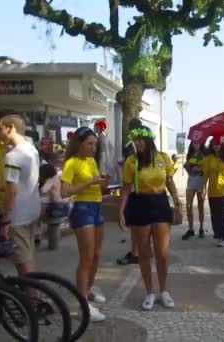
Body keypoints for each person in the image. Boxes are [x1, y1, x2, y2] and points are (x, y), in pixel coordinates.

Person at [119, 125, 182, 310]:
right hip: (139, 204)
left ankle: (164, 290)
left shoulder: (162, 158)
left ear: (148, 140)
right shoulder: (131, 161)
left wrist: (177, 201)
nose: (137, 143)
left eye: (140, 139)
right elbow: (126, 188)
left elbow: (169, 181)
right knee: (144, 253)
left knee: (162, 253)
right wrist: (121, 211)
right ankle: (149, 292)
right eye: (135, 140)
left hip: (160, 203)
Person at [61, 126, 110, 322]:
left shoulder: (91, 161)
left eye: (95, 144)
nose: (93, 147)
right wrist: (90, 183)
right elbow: (65, 192)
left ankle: (87, 290)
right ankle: (83, 305)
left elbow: (96, 184)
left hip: (97, 207)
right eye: (89, 144)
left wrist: (104, 183)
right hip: (82, 210)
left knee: (97, 254)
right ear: (79, 144)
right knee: (87, 257)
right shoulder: (71, 163)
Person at [0, 114, 41, 279]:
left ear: (10, 128)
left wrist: (5, 221)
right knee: (29, 256)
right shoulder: (31, 148)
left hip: (18, 217)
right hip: (33, 211)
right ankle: (37, 296)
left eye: (0, 129)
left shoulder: (13, 156)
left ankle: (33, 300)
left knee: (23, 263)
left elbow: (12, 191)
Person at [116, 117, 143, 265]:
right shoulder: (149, 145)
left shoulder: (129, 144)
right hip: (144, 188)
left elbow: (129, 164)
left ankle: (135, 253)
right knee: (142, 224)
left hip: (133, 189)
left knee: (135, 224)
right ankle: (141, 250)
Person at [203, 141, 224, 247]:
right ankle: (217, 233)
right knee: (215, 214)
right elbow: (205, 176)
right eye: (214, 144)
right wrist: (203, 189)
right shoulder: (208, 159)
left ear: (222, 145)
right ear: (211, 146)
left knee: (223, 215)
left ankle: (223, 236)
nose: (216, 146)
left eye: (218, 144)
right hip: (212, 191)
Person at [181, 141, 208, 240]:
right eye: (193, 143)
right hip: (191, 182)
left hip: (201, 182)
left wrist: (200, 169)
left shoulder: (205, 155)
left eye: (197, 143)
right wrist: (188, 167)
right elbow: (189, 172)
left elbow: (207, 170)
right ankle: (191, 229)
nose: (195, 145)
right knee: (188, 205)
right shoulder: (190, 155)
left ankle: (201, 228)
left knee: (200, 206)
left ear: (201, 144)